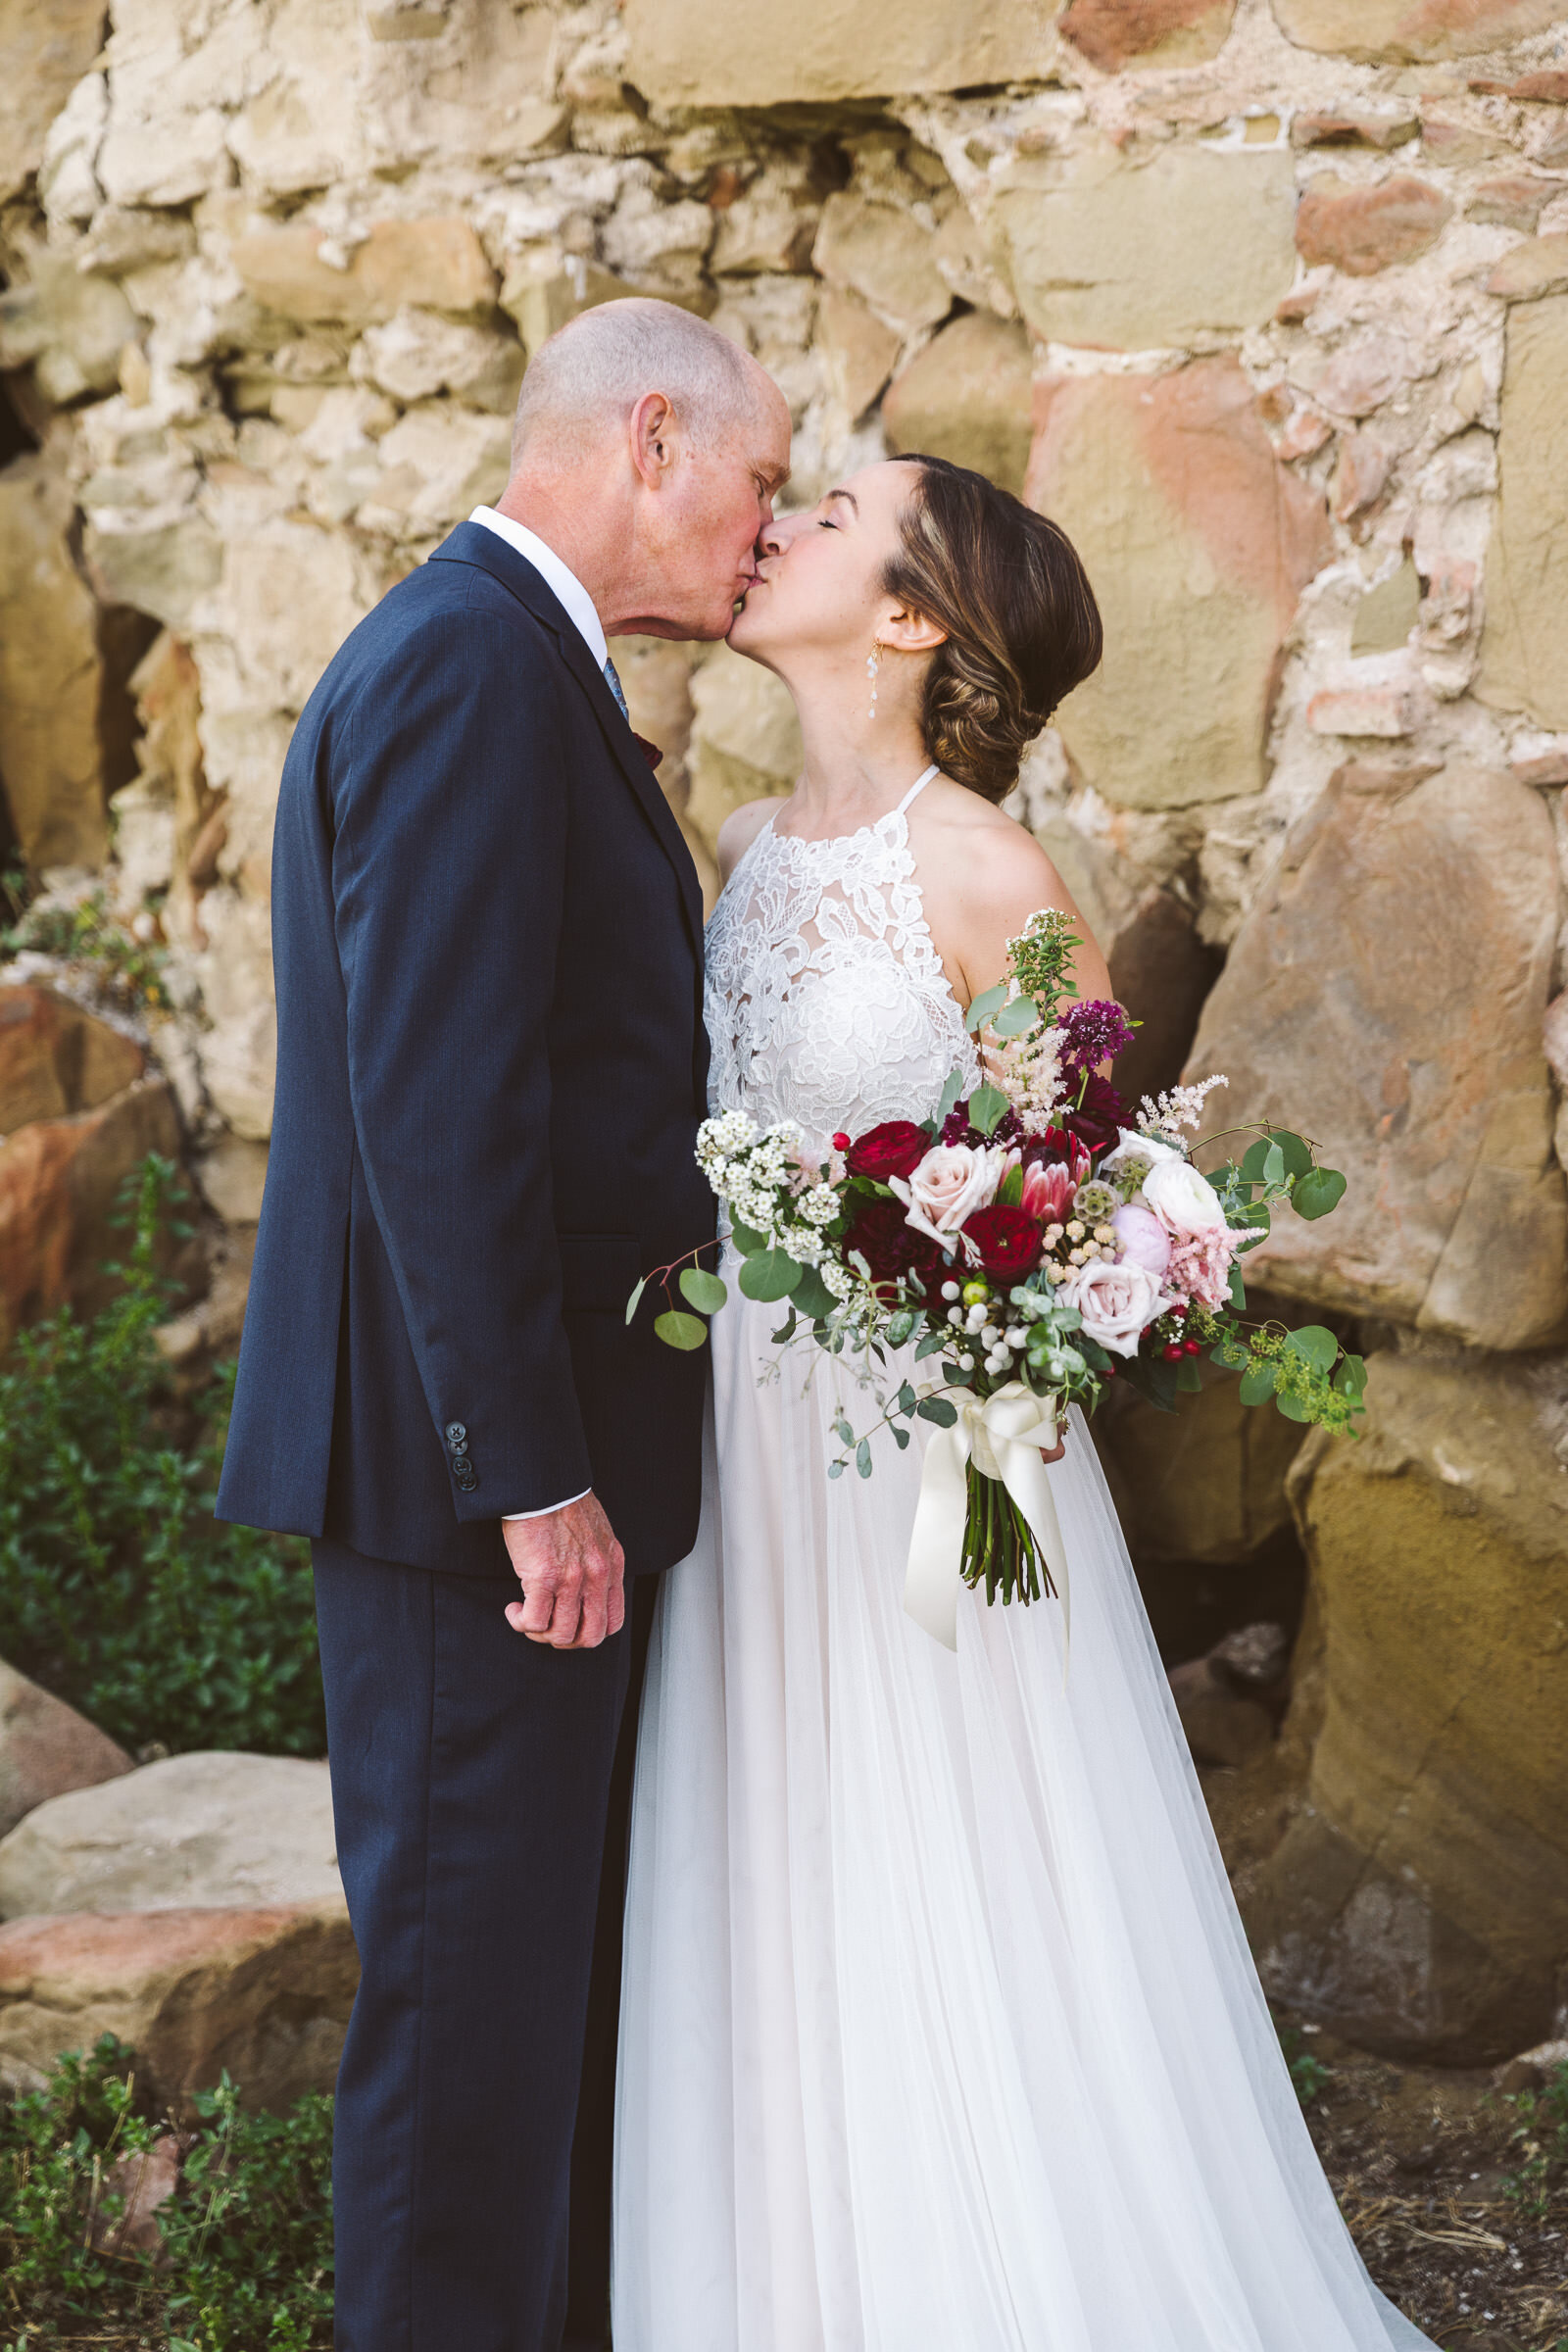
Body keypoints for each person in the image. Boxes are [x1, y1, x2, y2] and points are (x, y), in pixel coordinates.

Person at [612, 454, 1439, 2352]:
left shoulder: (985, 870)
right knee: (777, 1848)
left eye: (831, 508)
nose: (785, 520)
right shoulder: (739, 850)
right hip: (750, 1434)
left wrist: (984, 1464)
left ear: (908, 619)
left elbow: (1082, 1190)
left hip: (929, 1454)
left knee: (949, 1850)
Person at [217, 299, 791, 2352]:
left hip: (511, 1487)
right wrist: (533, 1478)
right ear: (652, 437)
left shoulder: (509, 657)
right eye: (758, 476)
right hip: (474, 1503)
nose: (767, 524)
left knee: (536, 2017)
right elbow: (437, 1117)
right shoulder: (471, 665)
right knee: (466, 2043)